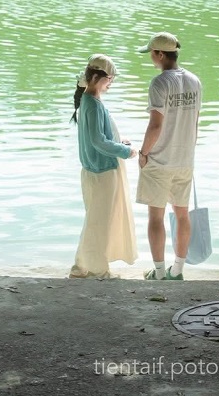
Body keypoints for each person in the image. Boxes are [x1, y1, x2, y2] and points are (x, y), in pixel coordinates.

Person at [135, 31, 202, 280]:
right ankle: (178, 270)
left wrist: (143, 153)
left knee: (156, 216)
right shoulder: (194, 80)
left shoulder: (160, 83)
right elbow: (195, 121)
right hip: (185, 159)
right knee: (182, 214)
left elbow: (155, 125)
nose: (151, 57)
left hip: (160, 160)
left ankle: (160, 273)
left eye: (152, 53)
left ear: (160, 54)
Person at [69, 53, 138, 279]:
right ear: (99, 78)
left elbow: (97, 136)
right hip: (102, 172)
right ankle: (98, 270)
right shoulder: (92, 104)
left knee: (94, 221)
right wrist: (126, 151)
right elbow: (98, 141)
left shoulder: (88, 100)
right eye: (110, 79)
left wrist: (119, 141)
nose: (111, 84)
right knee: (99, 223)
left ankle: (81, 267)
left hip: (92, 170)